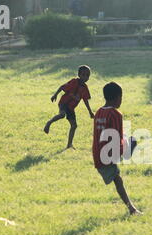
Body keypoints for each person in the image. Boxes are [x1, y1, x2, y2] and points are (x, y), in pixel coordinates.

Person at [92, 82, 141, 215]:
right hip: (109, 154)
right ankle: (132, 209)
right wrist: (125, 149)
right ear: (116, 98)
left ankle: (132, 208)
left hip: (98, 153)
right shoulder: (116, 114)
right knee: (118, 180)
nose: (121, 100)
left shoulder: (99, 112)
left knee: (117, 180)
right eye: (121, 97)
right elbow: (116, 137)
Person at [44, 65, 94, 149]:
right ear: (79, 75)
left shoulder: (85, 88)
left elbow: (85, 100)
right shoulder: (74, 82)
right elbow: (62, 87)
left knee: (74, 125)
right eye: (83, 75)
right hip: (64, 103)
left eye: (87, 75)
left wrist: (90, 112)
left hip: (71, 108)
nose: (85, 77)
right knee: (62, 114)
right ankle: (49, 122)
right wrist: (55, 95)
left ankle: (69, 145)